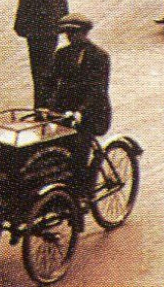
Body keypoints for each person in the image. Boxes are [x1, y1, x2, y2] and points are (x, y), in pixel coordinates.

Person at [46, 12, 111, 196]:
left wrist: (80, 111)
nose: (70, 37)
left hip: (92, 113)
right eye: (67, 33)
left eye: (74, 33)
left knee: (79, 147)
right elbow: (50, 81)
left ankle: (82, 193)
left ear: (84, 33)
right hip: (65, 112)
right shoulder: (62, 54)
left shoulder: (99, 56)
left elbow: (97, 89)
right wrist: (46, 106)